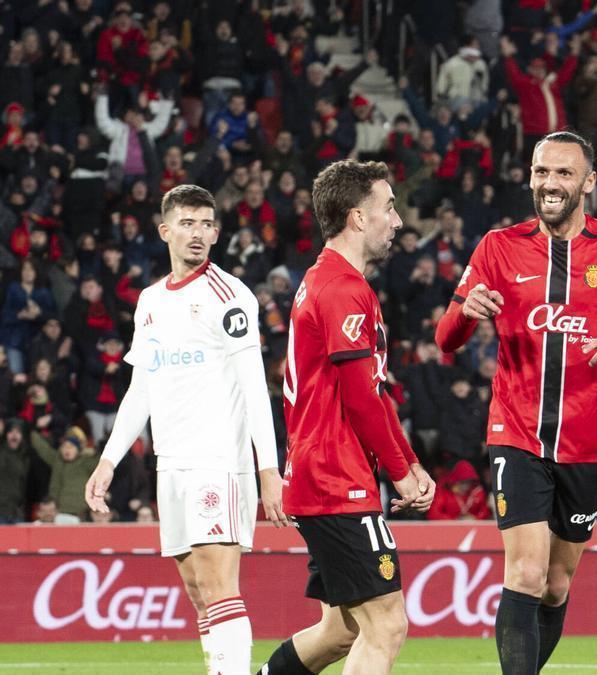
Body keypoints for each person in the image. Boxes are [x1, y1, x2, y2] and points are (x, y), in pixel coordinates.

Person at [435, 130, 597, 674]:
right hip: (515, 432)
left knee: (556, 583)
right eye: (542, 172)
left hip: (587, 442)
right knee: (524, 574)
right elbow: (445, 339)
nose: (549, 183)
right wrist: (466, 312)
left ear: (588, 182)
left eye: (564, 173)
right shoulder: (498, 246)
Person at [83, 185, 286, 675]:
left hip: (218, 461)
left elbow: (255, 386)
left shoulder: (229, 295)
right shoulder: (150, 301)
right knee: (198, 591)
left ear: (216, 234)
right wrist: (108, 460)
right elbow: (141, 389)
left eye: (206, 225)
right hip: (170, 464)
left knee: (219, 586)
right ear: (165, 230)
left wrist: (268, 468)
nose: (197, 234)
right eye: (187, 223)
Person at [256, 160, 434, 675]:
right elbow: (360, 399)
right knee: (386, 625)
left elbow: (371, 394)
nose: (397, 220)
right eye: (389, 207)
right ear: (358, 218)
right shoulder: (342, 290)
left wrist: (410, 462)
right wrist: (400, 474)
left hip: (325, 472)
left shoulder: (326, 282)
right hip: (337, 479)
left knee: (341, 630)